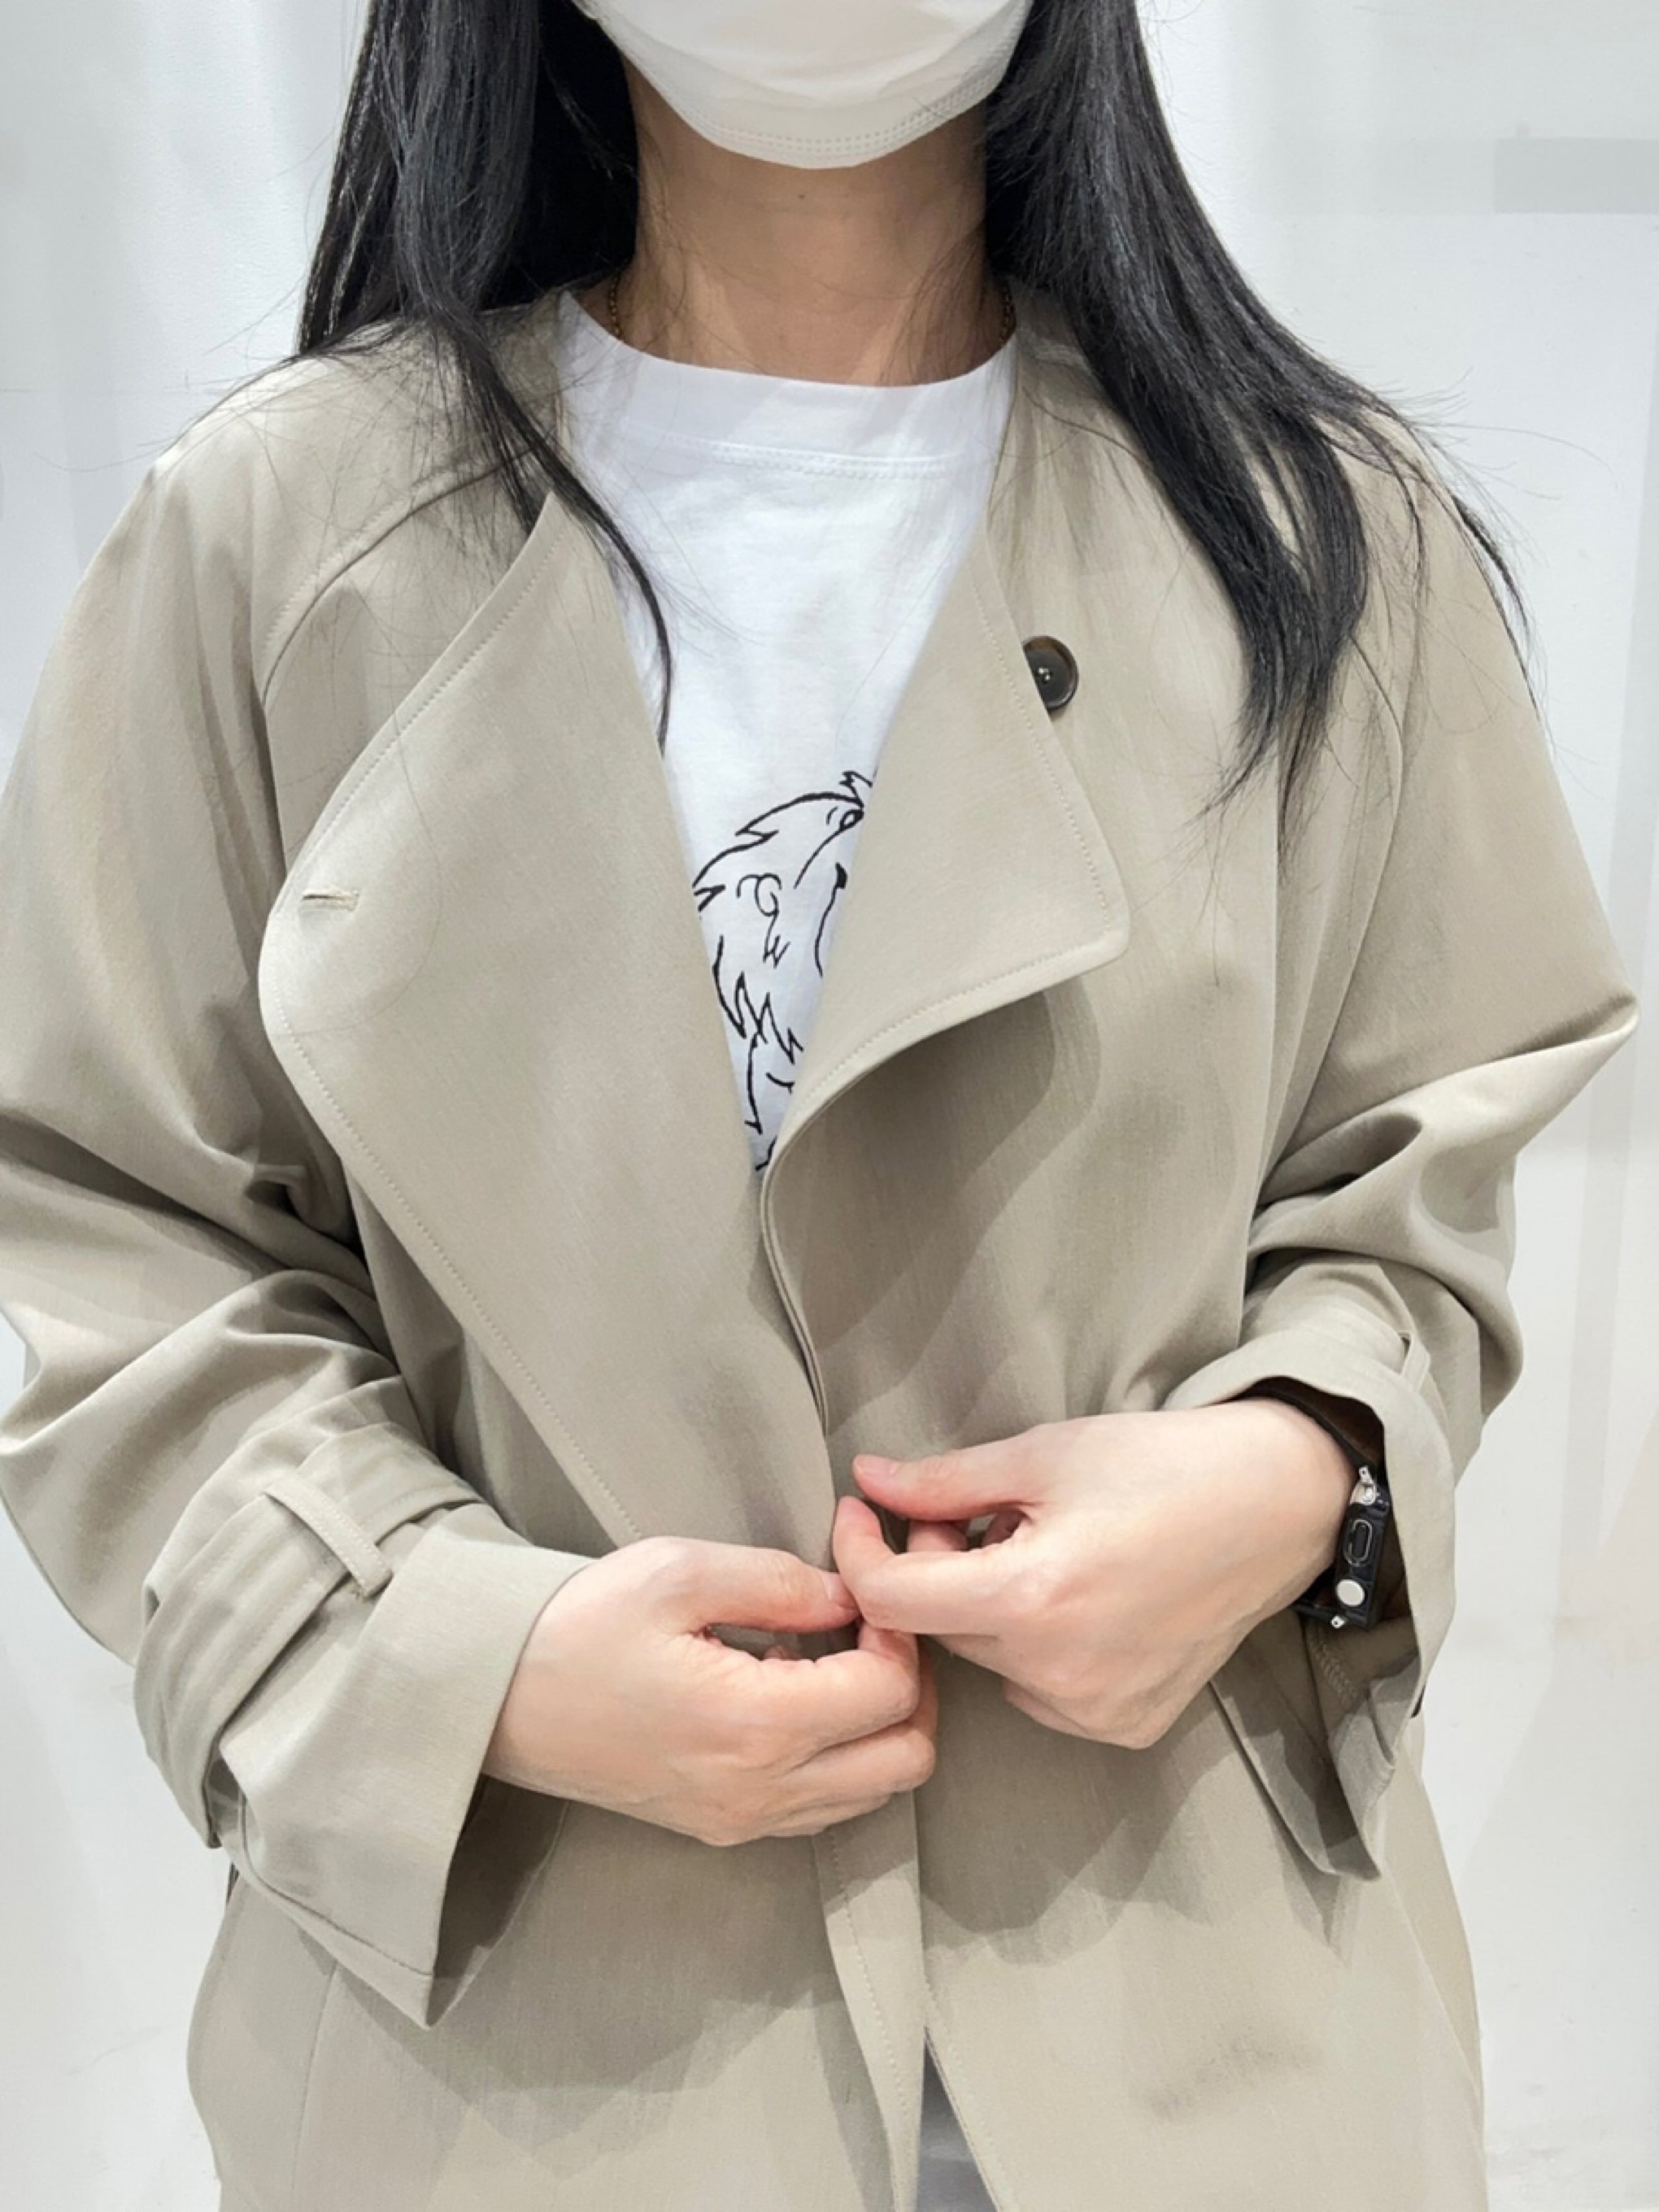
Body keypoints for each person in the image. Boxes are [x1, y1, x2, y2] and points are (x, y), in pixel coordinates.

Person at [0, 2, 1639, 2207]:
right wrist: (466, 1663)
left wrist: (1290, 1478)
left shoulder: (1318, 538)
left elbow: (1420, 1182)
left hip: (1203, 2032)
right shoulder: (273, 541)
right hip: (525, 2060)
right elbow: (119, 1241)